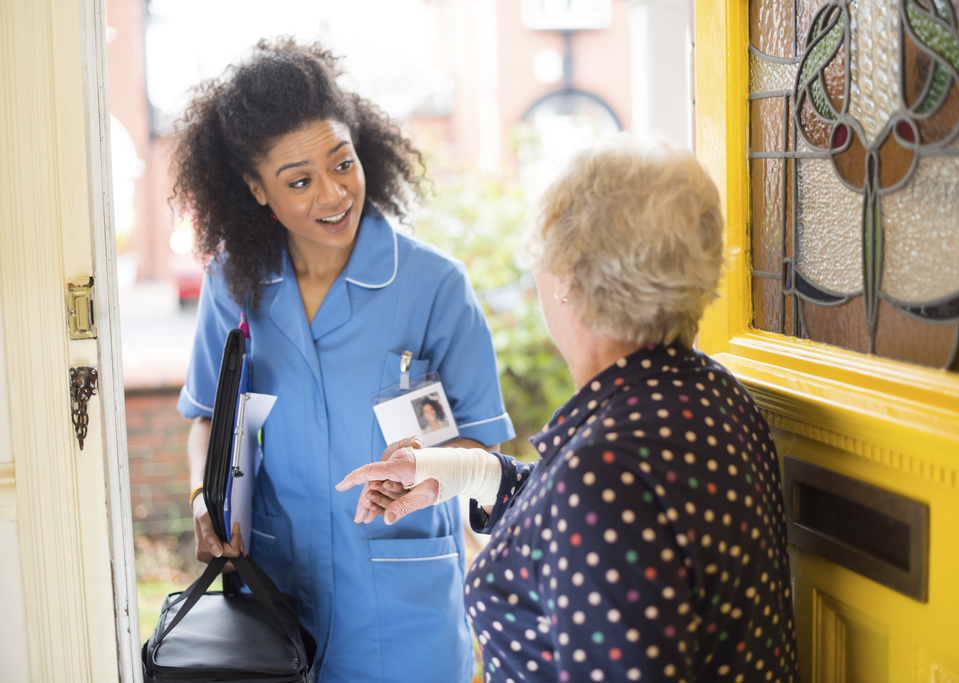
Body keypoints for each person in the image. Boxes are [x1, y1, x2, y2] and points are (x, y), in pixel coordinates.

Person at [339, 136, 798, 682]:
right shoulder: (715, 396)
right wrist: (454, 471)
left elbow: (595, 506)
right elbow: (573, 516)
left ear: (569, 280)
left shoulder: (604, 473)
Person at [175, 38, 515, 683]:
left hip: (403, 605)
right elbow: (206, 421)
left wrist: (428, 472)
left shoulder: (435, 285)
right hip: (274, 595)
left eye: (343, 163)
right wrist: (204, 498)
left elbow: (485, 452)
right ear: (256, 189)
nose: (333, 195)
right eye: (299, 181)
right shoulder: (231, 286)